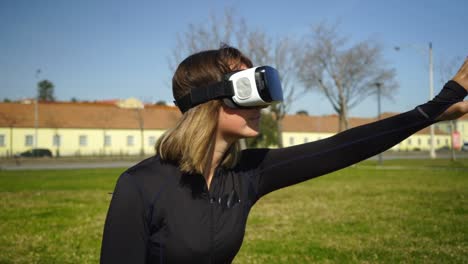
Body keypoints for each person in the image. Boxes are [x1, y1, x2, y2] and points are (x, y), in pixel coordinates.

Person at [100, 46, 468, 264]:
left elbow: (342, 148)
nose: (262, 103)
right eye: (248, 89)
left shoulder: (246, 174)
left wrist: (433, 109)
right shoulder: (140, 187)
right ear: (206, 99)